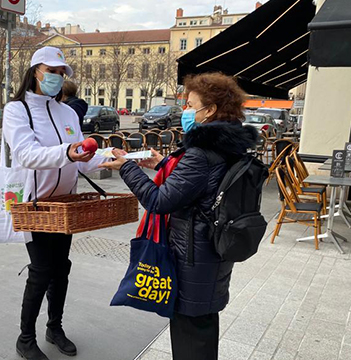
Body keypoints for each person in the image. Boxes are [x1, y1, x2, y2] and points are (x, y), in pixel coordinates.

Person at [101, 73, 258, 360]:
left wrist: (127, 168)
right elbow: (203, 186)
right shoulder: (231, 146)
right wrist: (164, 162)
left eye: (191, 105)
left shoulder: (201, 153)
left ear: (209, 110)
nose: (186, 111)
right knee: (202, 329)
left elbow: (159, 201)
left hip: (193, 257)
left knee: (191, 338)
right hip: (214, 253)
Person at [2, 46, 108, 360]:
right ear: (35, 71)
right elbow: (27, 155)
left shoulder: (67, 112)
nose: (58, 77)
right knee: (41, 270)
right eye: (52, 71)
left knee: (61, 268)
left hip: (65, 204)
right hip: (33, 205)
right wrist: (68, 151)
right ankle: (25, 338)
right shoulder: (17, 109)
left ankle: (55, 327)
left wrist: (110, 159)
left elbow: (83, 161)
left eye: (62, 73)